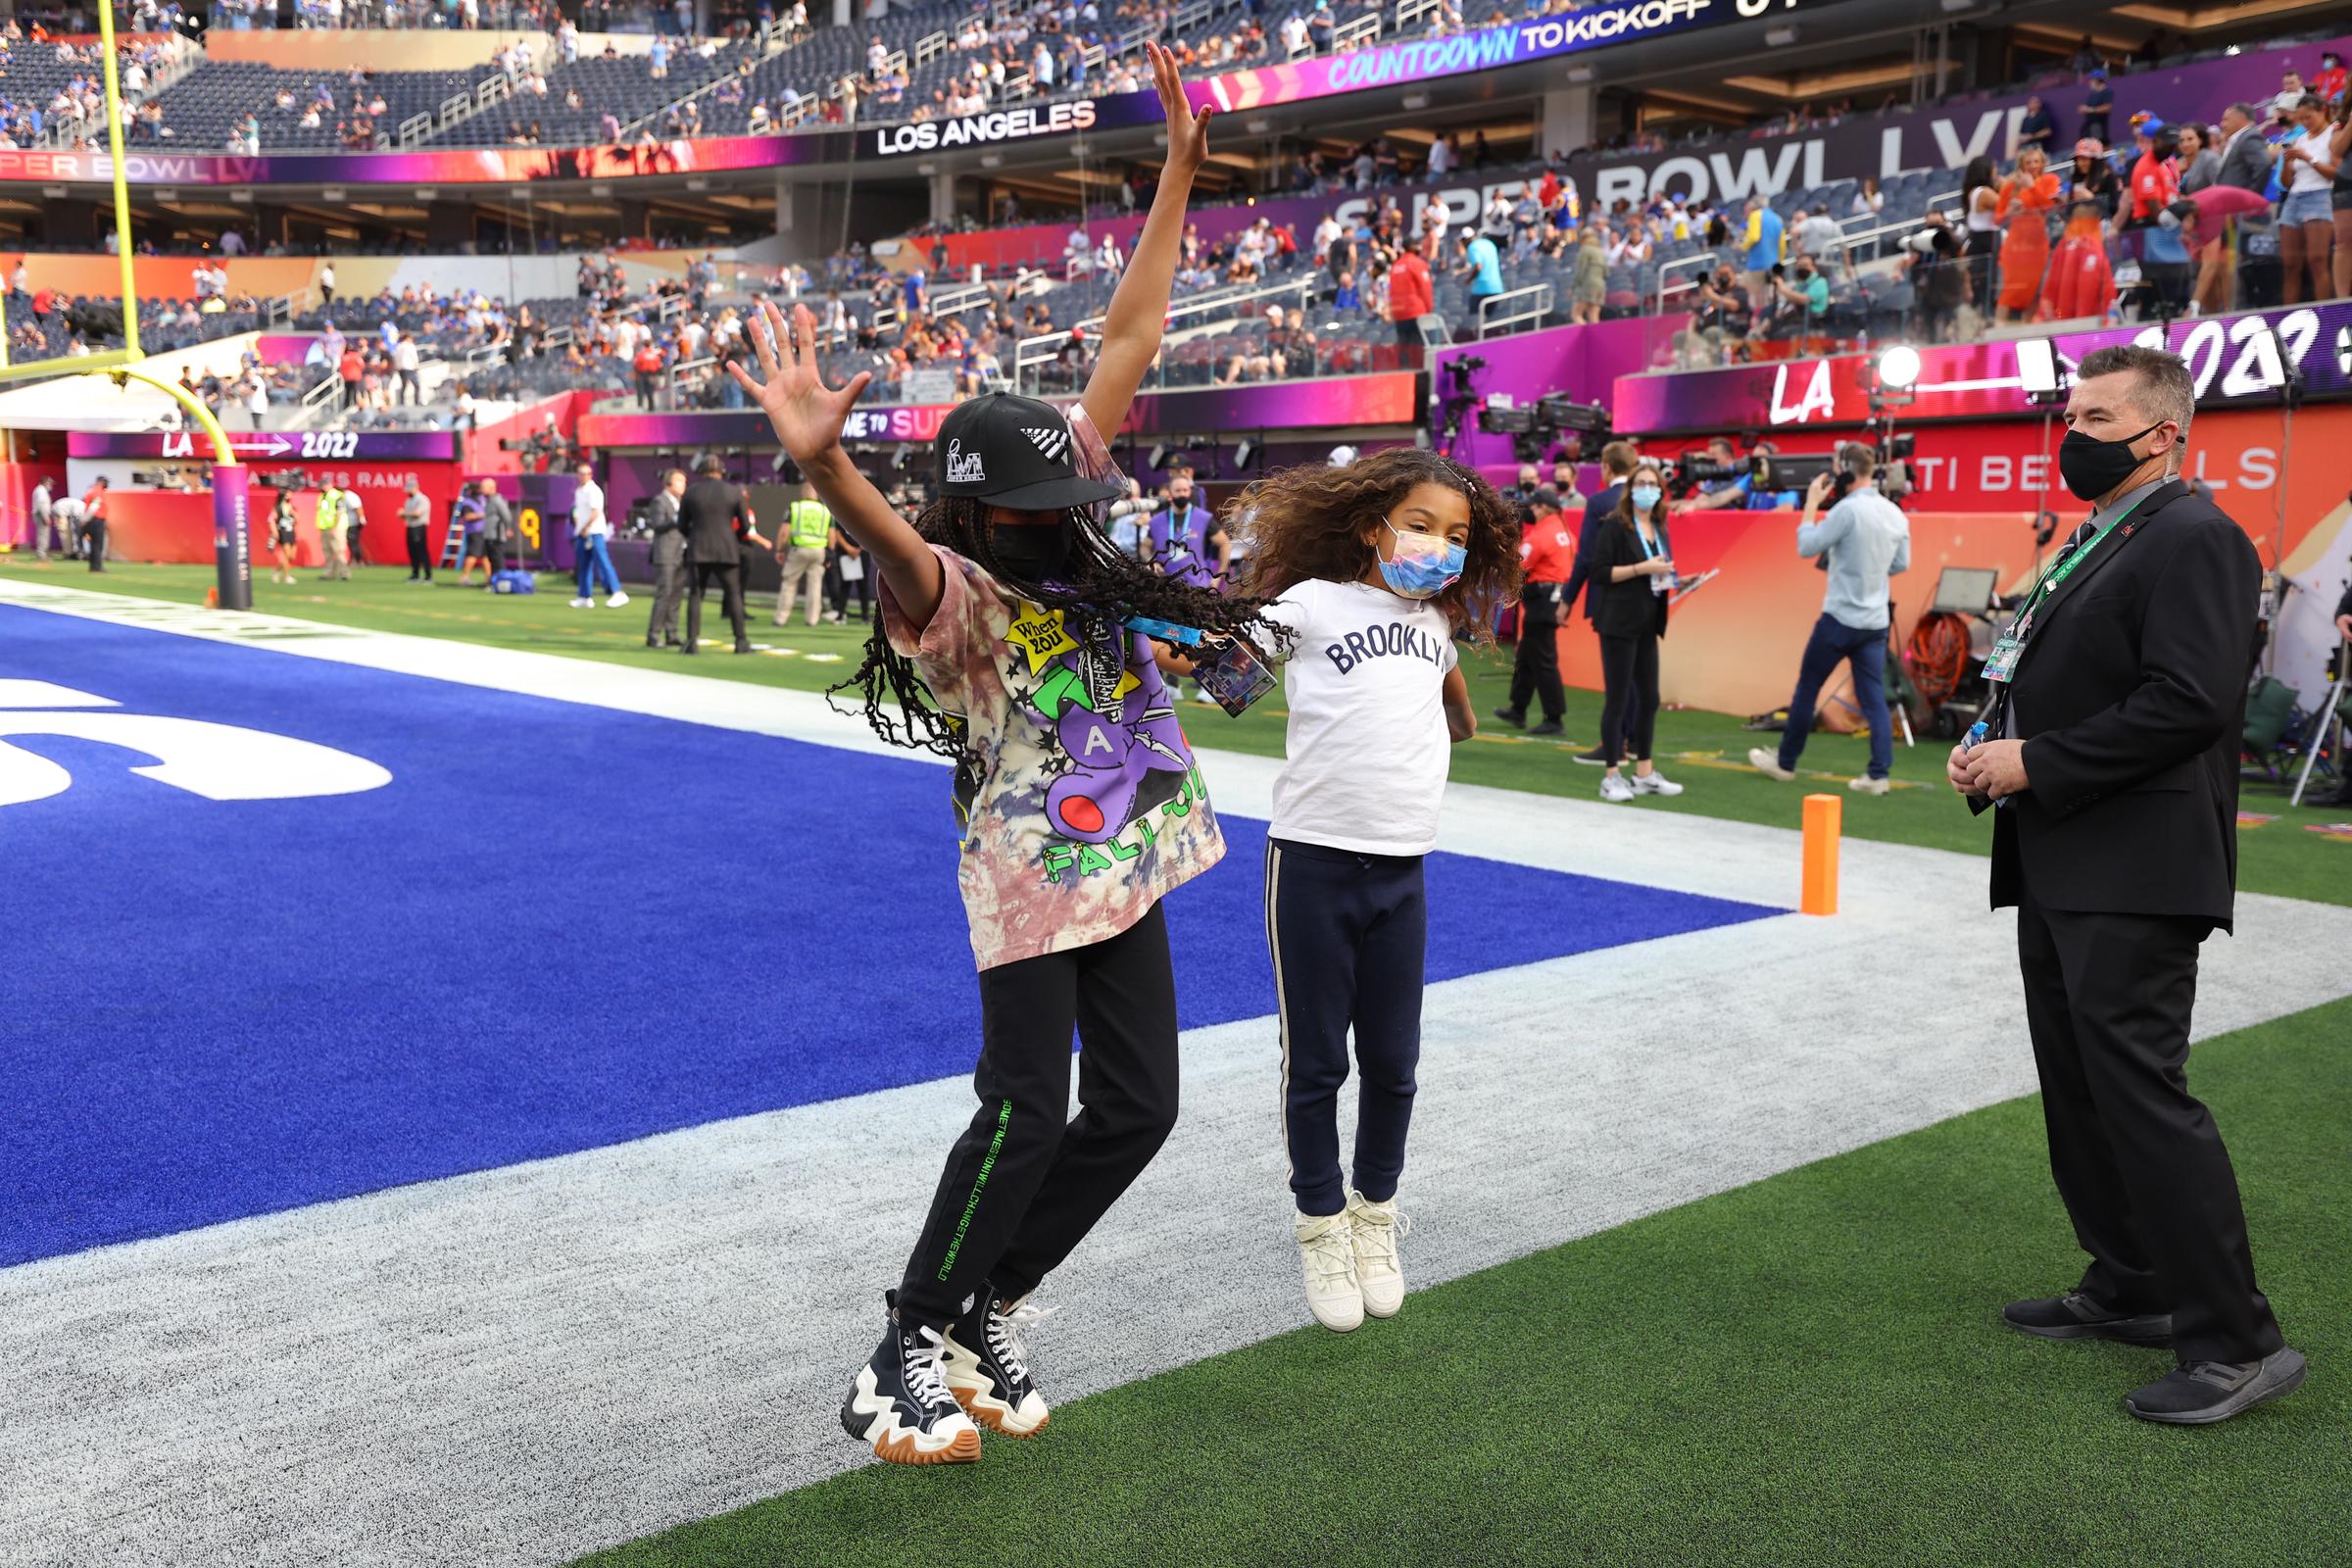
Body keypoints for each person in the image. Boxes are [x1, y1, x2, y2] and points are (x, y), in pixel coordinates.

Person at [726, 45, 1254, 1467]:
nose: (1066, 510)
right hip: (1029, 875)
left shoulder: (1067, 513)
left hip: (1127, 858)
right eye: (1036, 505)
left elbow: (1130, 337)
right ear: (983, 515)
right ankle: (904, 1339)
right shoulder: (956, 595)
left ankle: (986, 1304)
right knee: (1024, 1110)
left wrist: (1176, 179)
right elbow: (894, 543)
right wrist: (825, 467)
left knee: (1139, 1109)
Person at [1948, 344, 2306, 1421]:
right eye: (2073, 413)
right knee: (2080, 1088)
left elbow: (2190, 700)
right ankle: (2133, 1279)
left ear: (2164, 432)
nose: (2076, 432)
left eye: (2099, 417)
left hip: (2136, 865)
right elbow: (2061, 674)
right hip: (2066, 852)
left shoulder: (2198, 535)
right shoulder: (2105, 534)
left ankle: (2238, 1343)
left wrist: (2038, 761)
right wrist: (1994, 744)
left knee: (2142, 1095)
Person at [1235, 447, 1513, 1332]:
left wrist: (1444, 717)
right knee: (1317, 1062)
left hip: (1403, 868)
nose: (1439, 547)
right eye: (1421, 526)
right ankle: (1320, 1223)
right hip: (1312, 863)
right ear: (1370, 527)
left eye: (1456, 536)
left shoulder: (1433, 625)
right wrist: (1198, 647)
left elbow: (1457, 713)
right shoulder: (1312, 603)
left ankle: (1376, 1214)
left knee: (1394, 1064)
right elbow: (1229, 676)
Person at [1748, 444, 1911, 794]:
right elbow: (1901, 564)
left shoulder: (1846, 510)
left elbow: (1807, 546)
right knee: (1874, 698)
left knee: (1808, 687)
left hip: (1840, 618)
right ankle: (1878, 775)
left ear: (1847, 470)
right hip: (1874, 622)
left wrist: (1810, 504)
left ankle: (1786, 762)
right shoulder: (1894, 513)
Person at [1588, 462, 1684, 804]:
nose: (1647, 489)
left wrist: (1678, 580)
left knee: (1650, 699)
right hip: (1618, 622)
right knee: (1618, 699)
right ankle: (1611, 775)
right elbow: (1599, 572)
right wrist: (1642, 568)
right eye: (1641, 483)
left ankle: (1644, 772)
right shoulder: (1615, 525)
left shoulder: (1658, 525)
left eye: (1652, 484)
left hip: (1647, 621)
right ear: (1631, 489)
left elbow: (1659, 571)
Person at [1559, 439, 1639, 765]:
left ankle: (1615, 745)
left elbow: (1587, 557)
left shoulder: (1600, 502)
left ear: (1606, 467)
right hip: (1643, 600)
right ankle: (1634, 740)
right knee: (1635, 674)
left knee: (1618, 676)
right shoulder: (1645, 500)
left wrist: (1567, 598)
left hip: (1610, 599)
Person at [1494, 493, 1573, 737]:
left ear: (1545, 507)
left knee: (1543, 660)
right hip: (1553, 596)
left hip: (1542, 600)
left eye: (1535, 506)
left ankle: (1554, 718)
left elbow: (1520, 564)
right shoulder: (1564, 531)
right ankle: (1518, 709)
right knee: (1527, 656)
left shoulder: (1542, 534)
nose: (1532, 511)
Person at [678, 453, 767, 653]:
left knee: (695, 595)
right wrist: (731, 537)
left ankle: (691, 642)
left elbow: (681, 525)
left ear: (702, 471)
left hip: (698, 549)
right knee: (733, 595)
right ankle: (741, 641)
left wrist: (695, 536)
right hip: (727, 550)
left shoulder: (691, 492)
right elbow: (745, 526)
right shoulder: (733, 492)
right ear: (722, 471)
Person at [2274, 94, 2338, 305]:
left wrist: (2308, 158)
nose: (2305, 123)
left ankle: (2326, 314)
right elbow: (2286, 183)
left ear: (2323, 111)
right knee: (2290, 265)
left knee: (2317, 260)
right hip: (2294, 198)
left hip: (2321, 195)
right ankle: (2288, 314)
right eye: (2301, 119)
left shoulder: (2333, 133)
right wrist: (2287, 163)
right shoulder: (2301, 139)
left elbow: (2335, 173)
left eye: (2309, 117)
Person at [1994, 146, 2060, 320]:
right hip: (2015, 246)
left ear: (2043, 163)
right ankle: (1999, 328)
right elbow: (1997, 218)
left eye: (2036, 161)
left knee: (2035, 289)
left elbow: (2048, 206)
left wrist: (2031, 187)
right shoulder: (2010, 186)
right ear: (2021, 165)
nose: (2032, 166)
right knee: (2010, 290)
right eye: (2028, 162)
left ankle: (2028, 327)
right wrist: (2009, 212)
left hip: (2038, 244)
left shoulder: (2050, 180)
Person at [1145, 466, 1223, 588]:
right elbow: (1144, 547)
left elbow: (1225, 544)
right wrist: (1151, 562)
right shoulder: (1156, 521)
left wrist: (1218, 577)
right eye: (1178, 490)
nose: (1182, 494)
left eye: (1185, 490)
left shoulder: (1203, 518)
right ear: (1170, 494)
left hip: (1198, 586)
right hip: (1166, 586)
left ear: (1190, 492)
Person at [567, 460, 627, 610]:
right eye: (581, 473)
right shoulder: (579, 491)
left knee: (603, 562)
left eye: (586, 473)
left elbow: (596, 512)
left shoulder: (594, 491)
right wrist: (579, 526)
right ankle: (584, 597)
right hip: (581, 533)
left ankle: (617, 592)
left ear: (590, 475)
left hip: (594, 533)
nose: (583, 476)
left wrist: (586, 527)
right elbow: (578, 511)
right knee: (584, 565)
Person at [772, 483, 832, 627]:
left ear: (803, 493)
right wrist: (830, 554)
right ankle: (812, 619)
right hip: (819, 551)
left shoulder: (795, 507)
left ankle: (781, 618)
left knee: (789, 583)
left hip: (799, 549)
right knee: (815, 586)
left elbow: (784, 531)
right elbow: (831, 535)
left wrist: (780, 549)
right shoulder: (825, 510)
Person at [645, 467, 688, 648]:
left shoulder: (681, 502)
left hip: (681, 553)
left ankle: (672, 633)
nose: (683, 485)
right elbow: (658, 525)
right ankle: (654, 635)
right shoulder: (659, 501)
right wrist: (677, 519)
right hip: (665, 554)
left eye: (684, 481)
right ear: (668, 482)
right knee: (664, 594)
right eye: (679, 481)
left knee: (676, 596)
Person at [825, 518, 873, 623]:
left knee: (863, 586)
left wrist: (859, 549)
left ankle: (865, 616)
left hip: (862, 554)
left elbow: (870, 532)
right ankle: (840, 615)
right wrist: (849, 549)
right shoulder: (843, 514)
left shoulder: (866, 516)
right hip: (845, 554)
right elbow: (837, 533)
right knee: (844, 586)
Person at [316, 480, 351, 580]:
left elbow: (340, 512)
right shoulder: (322, 496)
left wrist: (335, 527)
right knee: (327, 551)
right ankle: (329, 573)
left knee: (339, 551)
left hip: (337, 528)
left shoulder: (337, 495)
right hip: (325, 527)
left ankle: (344, 573)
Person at [401, 476, 433, 583]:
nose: (408, 492)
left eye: (409, 489)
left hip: (419, 527)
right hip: (410, 527)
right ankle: (415, 575)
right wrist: (403, 514)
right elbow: (407, 514)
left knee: (421, 551)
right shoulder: (408, 500)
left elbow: (417, 513)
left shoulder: (422, 499)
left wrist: (404, 513)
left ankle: (428, 576)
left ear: (415, 487)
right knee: (412, 552)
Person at [268, 488, 298, 584]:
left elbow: (296, 521)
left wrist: (295, 515)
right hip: (283, 532)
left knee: (292, 556)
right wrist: (275, 532)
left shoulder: (292, 507)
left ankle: (276, 571)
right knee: (287, 554)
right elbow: (271, 519)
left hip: (291, 532)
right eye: (288, 494)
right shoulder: (278, 507)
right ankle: (286, 576)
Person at [28, 476, 53, 560]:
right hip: (41, 514)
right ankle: (42, 554)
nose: (50, 485)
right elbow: (41, 504)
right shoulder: (41, 490)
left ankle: (42, 553)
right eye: (49, 483)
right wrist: (45, 517)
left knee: (43, 534)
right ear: (45, 482)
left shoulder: (40, 490)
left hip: (40, 514)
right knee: (43, 535)